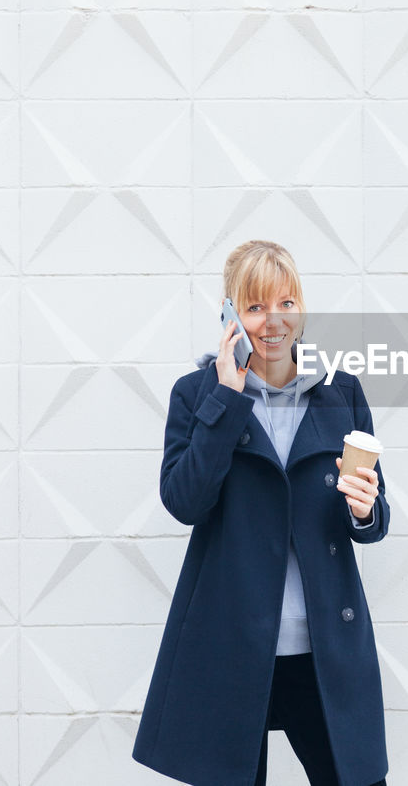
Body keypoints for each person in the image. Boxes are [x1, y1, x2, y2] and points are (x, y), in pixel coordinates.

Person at [132, 240, 390, 786]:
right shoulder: (197, 394)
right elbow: (184, 501)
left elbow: (372, 520)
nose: (273, 321)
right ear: (229, 314)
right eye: (254, 307)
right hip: (231, 646)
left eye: (287, 303)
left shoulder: (339, 391)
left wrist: (366, 511)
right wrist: (226, 399)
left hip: (322, 647)